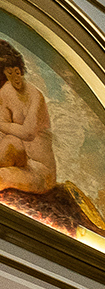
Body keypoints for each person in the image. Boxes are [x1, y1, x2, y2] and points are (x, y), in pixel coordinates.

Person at [0, 41, 57, 195]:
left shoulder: (33, 96)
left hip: (39, 171)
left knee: (3, 175)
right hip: (17, 156)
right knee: (10, 143)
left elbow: (28, 133)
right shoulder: (4, 93)